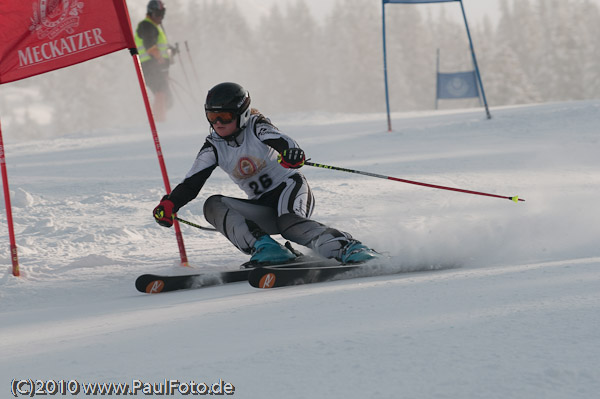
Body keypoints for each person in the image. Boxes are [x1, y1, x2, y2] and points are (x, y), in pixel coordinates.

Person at [153, 82, 379, 266]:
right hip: (261, 204)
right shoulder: (213, 146)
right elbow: (192, 182)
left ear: (241, 114)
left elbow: (281, 140)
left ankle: (350, 247)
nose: (218, 123)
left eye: (225, 117)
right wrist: (171, 204)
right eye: (212, 117)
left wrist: (291, 153)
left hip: (288, 189)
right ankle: (267, 249)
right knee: (212, 205)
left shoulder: (256, 126)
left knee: (290, 225)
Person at [135, 0, 176, 122]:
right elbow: (150, 46)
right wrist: (160, 59)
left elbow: (158, 45)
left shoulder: (153, 26)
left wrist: (170, 51)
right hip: (149, 66)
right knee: (161, 91)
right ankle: (159, 121)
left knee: (167, 98)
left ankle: (159, 119)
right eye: (158, 14)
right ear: (151, 13)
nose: (161, 17)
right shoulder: (146, 25)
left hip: (155, 66)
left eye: (162, 13)